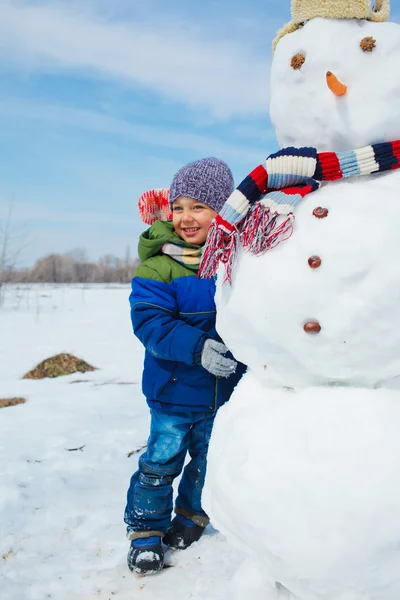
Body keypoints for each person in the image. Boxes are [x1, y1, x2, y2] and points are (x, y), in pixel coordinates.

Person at [124, 157, 245, 576]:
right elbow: (150, 322)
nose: (186, 217)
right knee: (160, 463)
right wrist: (198, 347)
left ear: (223, 211)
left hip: (224, 393)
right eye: (179, 207)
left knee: (208, 463)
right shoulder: (159, 265)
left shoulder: (237, 262)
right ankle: (144, 532)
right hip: (173, 391)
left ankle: (192, 517)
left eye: (199, 207)